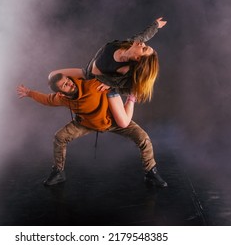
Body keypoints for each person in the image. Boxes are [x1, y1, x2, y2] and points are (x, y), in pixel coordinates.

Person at [17, 73, 167, 188]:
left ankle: (151, 172)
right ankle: (58, 172)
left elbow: (118, 79)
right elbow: (47, 99)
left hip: (113, 119)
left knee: (143, 138)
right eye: (65, 85)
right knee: (59, 137)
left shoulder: (92, 85)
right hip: (86, 123)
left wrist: (118, 87)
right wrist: (29, 93)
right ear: (61, 93)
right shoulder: (62, 98)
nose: (69, 83)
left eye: (68, 80)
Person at [48, 17, 167, 103]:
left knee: (123, 123)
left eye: (144, 49)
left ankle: (129, 101)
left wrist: (111, 86)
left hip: (96, 83)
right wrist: (156, 25)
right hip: (87, 72)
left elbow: (135, 89)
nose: (142, 44)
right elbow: (144, 35)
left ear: (137, 58)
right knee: (52, 76)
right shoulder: (129, 44)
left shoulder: (126, 70)